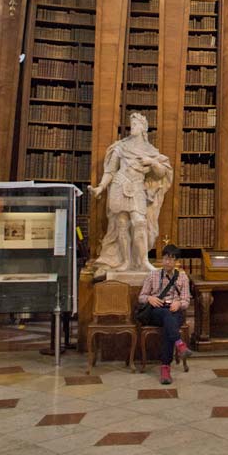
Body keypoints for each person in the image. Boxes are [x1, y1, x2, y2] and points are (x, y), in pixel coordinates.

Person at [90, 112, 173, 272]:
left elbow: (162, 172)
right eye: (131, 124)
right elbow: (110, 171)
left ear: (143, 128)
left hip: (137, 187)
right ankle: (126, 261)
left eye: (135, 124)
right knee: (121, 224)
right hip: (119, 185)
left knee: (140, 223)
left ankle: (143, 261)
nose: (132, 127)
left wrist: (152, 162)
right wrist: (100, 187)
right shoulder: (120, 147)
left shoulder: (150, 150)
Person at [138, 244, 192, 384]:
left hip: (174, 312)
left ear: (176, 262)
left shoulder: (183, 278)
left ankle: (165, 368)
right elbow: (141, 297)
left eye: (171, 259)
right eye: (166, 258)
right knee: (166, 315)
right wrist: (150, 298)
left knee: (169, 321)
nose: (168, 262)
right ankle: (180, 345)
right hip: (156, 312)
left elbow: (186, 300)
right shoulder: (153, 275)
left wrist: (179, 303)